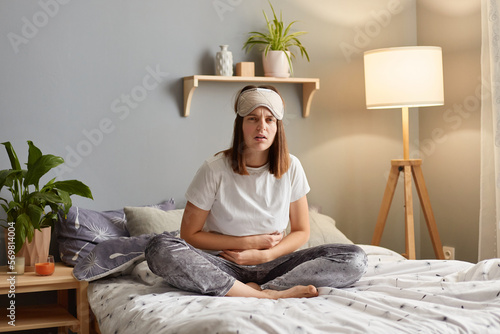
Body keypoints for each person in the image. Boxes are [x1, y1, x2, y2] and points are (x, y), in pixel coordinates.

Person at [145, 85, 367, 299]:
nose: (262, 127)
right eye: (253, 119)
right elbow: (189, 234)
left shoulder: (292, 166)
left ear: (277, 126)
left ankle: (263, 289)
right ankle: (262, 295)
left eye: (269, 119)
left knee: (355, 258)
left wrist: (266, 254)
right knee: (159, 248)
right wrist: (248, 243)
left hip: (276, 265)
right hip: (223, 263)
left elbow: (301, 231)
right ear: (241, 125)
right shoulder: (214, 168)